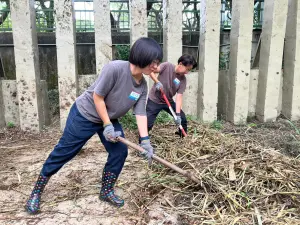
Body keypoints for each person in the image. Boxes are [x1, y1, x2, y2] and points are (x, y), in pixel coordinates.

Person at [25, 37, 163, 214]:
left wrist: (145, 141)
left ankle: (106, 190)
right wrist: (106, 125)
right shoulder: (115, 69)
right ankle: (36, 192)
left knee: (119, 151)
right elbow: (98, 97)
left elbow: (141, 113)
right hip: (86, 114)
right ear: (142, 57)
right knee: (65, 151)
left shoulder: (142, 86)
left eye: (157, 63)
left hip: (109, 119)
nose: (156, 68)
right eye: (154, 62)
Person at [146, 54, 197, 137]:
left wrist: (177, 115)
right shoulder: (167, 66)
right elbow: (151, 71)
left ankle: (183, 137)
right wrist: (157, 82)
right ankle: (143, 141)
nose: (187, 72)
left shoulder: (183, 80)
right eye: (187, 69)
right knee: (148, 124)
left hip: (168, 101)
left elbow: (179, 97)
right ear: (180, 64)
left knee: (182, 119)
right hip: (154, 100)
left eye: (189, 70)